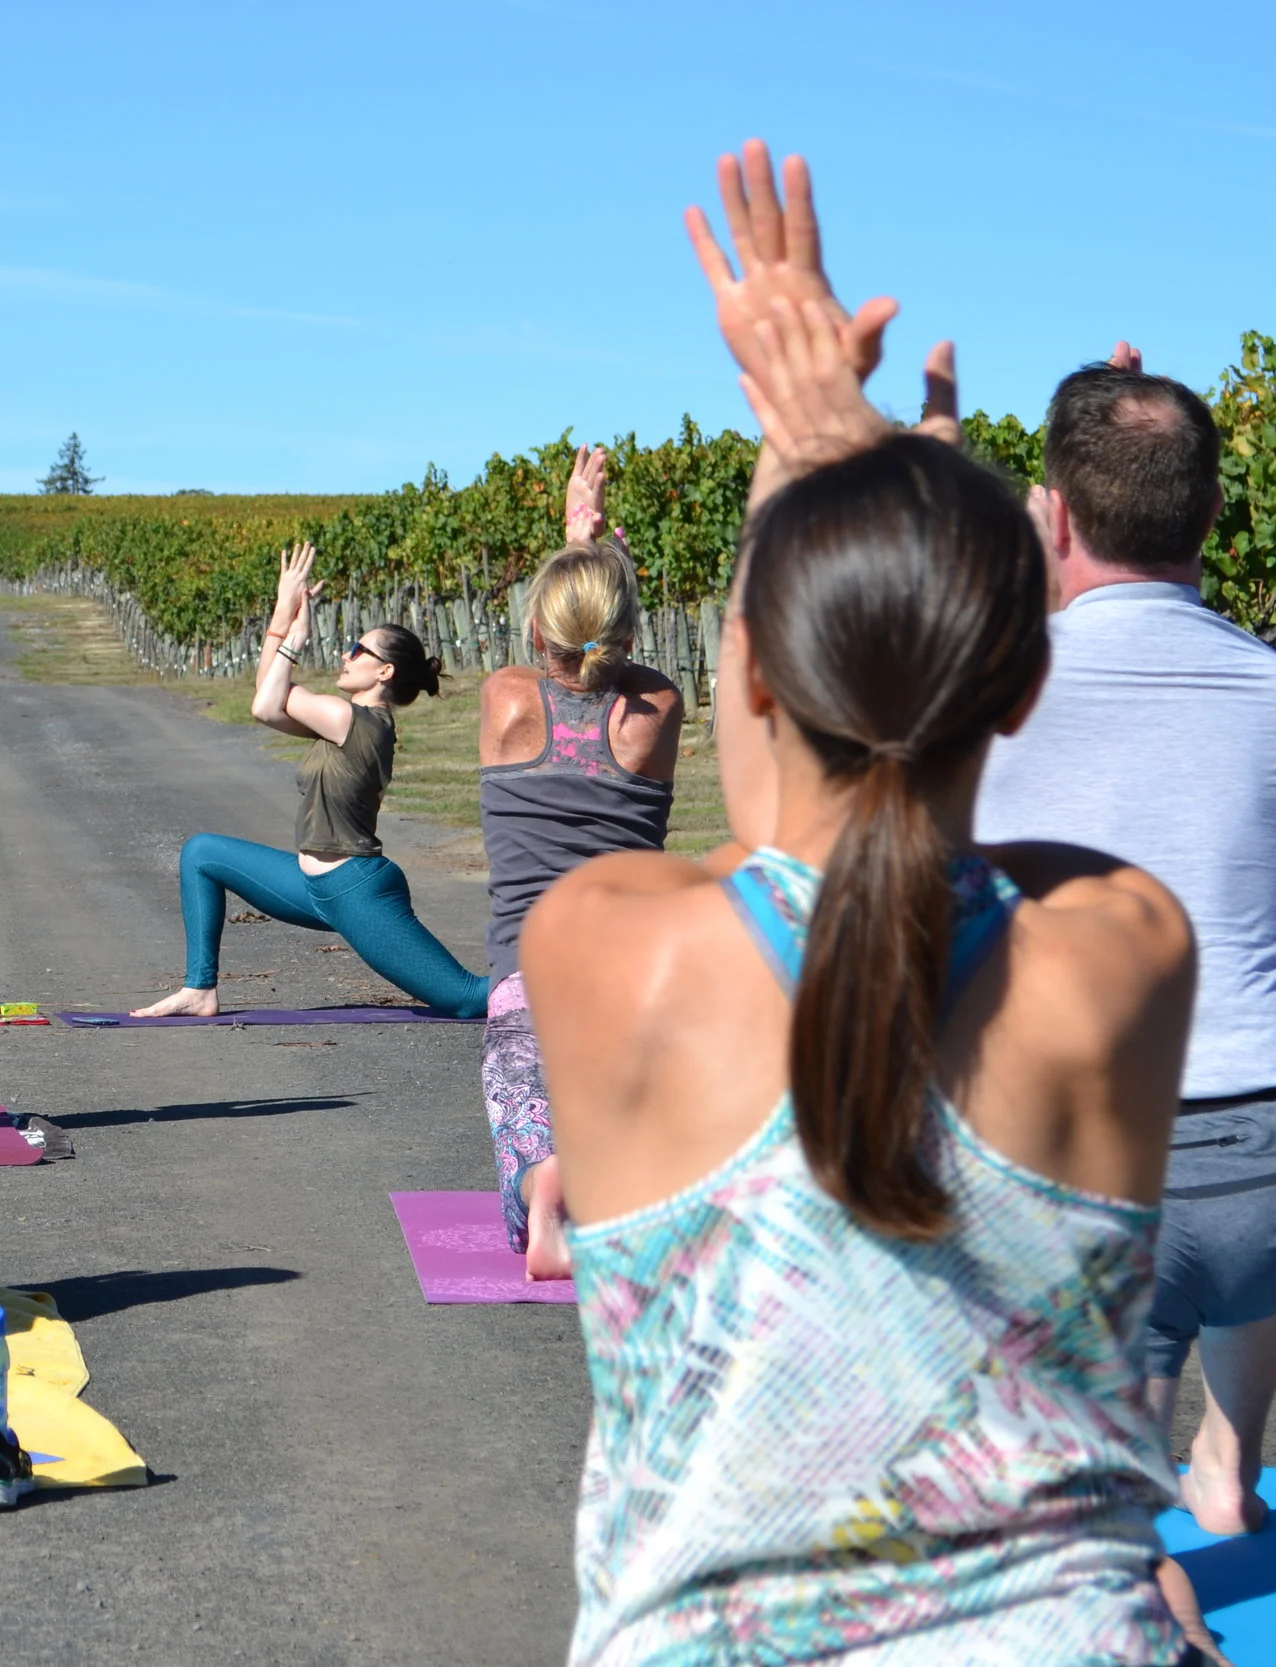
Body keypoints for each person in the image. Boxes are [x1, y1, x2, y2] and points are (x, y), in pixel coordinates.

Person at [522, 145, 1202, 1663]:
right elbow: (872, 849)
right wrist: (856, 458)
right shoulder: (1126, 947)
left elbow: (799, 847)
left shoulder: (602, 943)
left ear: (748, 671)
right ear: (1027, 685)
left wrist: (806, 440)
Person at [976, 344, 1276, 1540]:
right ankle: (1231, 1459)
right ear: (1212, 510)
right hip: (1265, 1163)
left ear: (1049, 514)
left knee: (1101, 1530)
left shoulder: (990, 696)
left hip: (1091, 1169)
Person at [477, 446, 680, 1279]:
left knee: (519, 1086)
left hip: (525, 969)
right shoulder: (654, 708)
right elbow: (610, 647)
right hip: (627, 983)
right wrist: (607, 556)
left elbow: (568, 641)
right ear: (628, 630)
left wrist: (574, 538)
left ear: (536, 630)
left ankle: (540, 1182)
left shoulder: (505, 700)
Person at [131, 543, 486, 1020]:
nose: (346, 653)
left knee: (465, 998)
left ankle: (568, 979)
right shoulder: (342, 719)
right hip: (308, 885)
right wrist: (283, 613)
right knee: (202, 854)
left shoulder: (351, 719)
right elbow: (267, 701)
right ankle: (199, 989)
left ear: (384, 671)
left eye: (359, 649)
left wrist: (294, 635)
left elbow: (264, 700)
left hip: (354, 890)